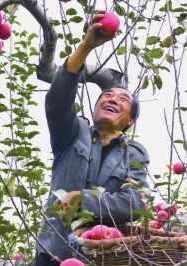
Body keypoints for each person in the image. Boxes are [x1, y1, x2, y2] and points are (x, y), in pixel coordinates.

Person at [34, 11, 150, 266]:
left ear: (130, 120)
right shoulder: (73, 132)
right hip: (53, 252)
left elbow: (135, 203)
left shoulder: (134, 154)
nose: (111, 99)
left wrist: (81, 199)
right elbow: (57, 100)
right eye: (106, 96)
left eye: (122, 99)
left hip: (102, 255)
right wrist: (86, 46)